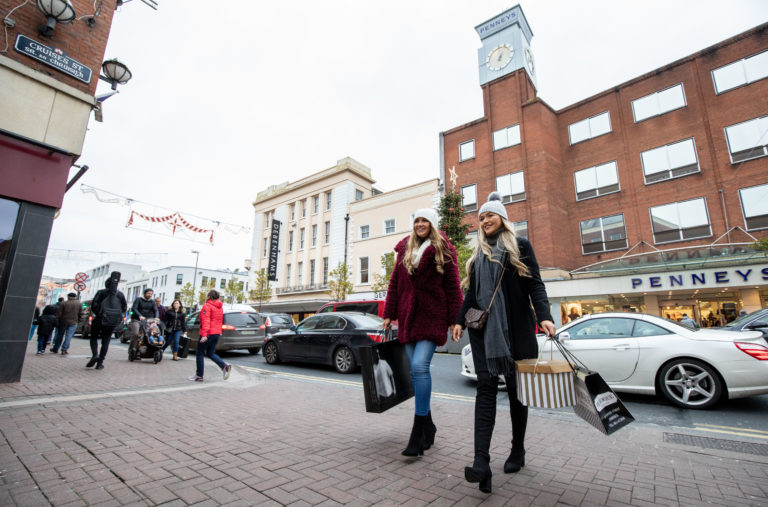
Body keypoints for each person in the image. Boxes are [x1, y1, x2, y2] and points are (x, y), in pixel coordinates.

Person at [451, 192, 556, 494]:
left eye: (490, 215)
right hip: (483, 331)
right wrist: (459, 320)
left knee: (516, 392)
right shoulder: (478, 256)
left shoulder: (519, 246)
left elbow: (535, 284)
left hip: (516, 331)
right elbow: (471, 295)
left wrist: (545, 315)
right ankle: (481, 461)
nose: (485, 221)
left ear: (503, 218)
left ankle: (517, 449)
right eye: (481, 217)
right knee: (485, 388)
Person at [382, 208, 463, 457]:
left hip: (432, 315)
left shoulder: (444, 250)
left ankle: (417, 431)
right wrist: (389, 313)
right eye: (416, 220)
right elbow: (395, 283)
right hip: (408, 317)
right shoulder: (404, 250)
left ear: (432, 224)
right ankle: (429, 427)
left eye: (424, 220)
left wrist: (456, 320)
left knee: (419, 367)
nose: (420, 224)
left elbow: (453, 285)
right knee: (413, 373)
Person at [88, 272, 128, 370]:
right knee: (106, 341)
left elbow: (94, 305)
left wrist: (99, 313)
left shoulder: (101, 292)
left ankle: (95, 354)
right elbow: (124, 307)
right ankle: (100, 363)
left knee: (94, 338)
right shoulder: (120, 294)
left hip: (100, 319)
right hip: (111, 321)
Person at [189, 290, 231, 382]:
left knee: (199, 353)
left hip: (208, 333)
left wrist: (204, 335)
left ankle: (199, 375)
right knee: (210, 353)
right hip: (216, 333)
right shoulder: (220, 307)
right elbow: (218, 321)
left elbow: (206, 321)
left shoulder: (207, 305)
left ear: (209, 296)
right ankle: (224, 366)